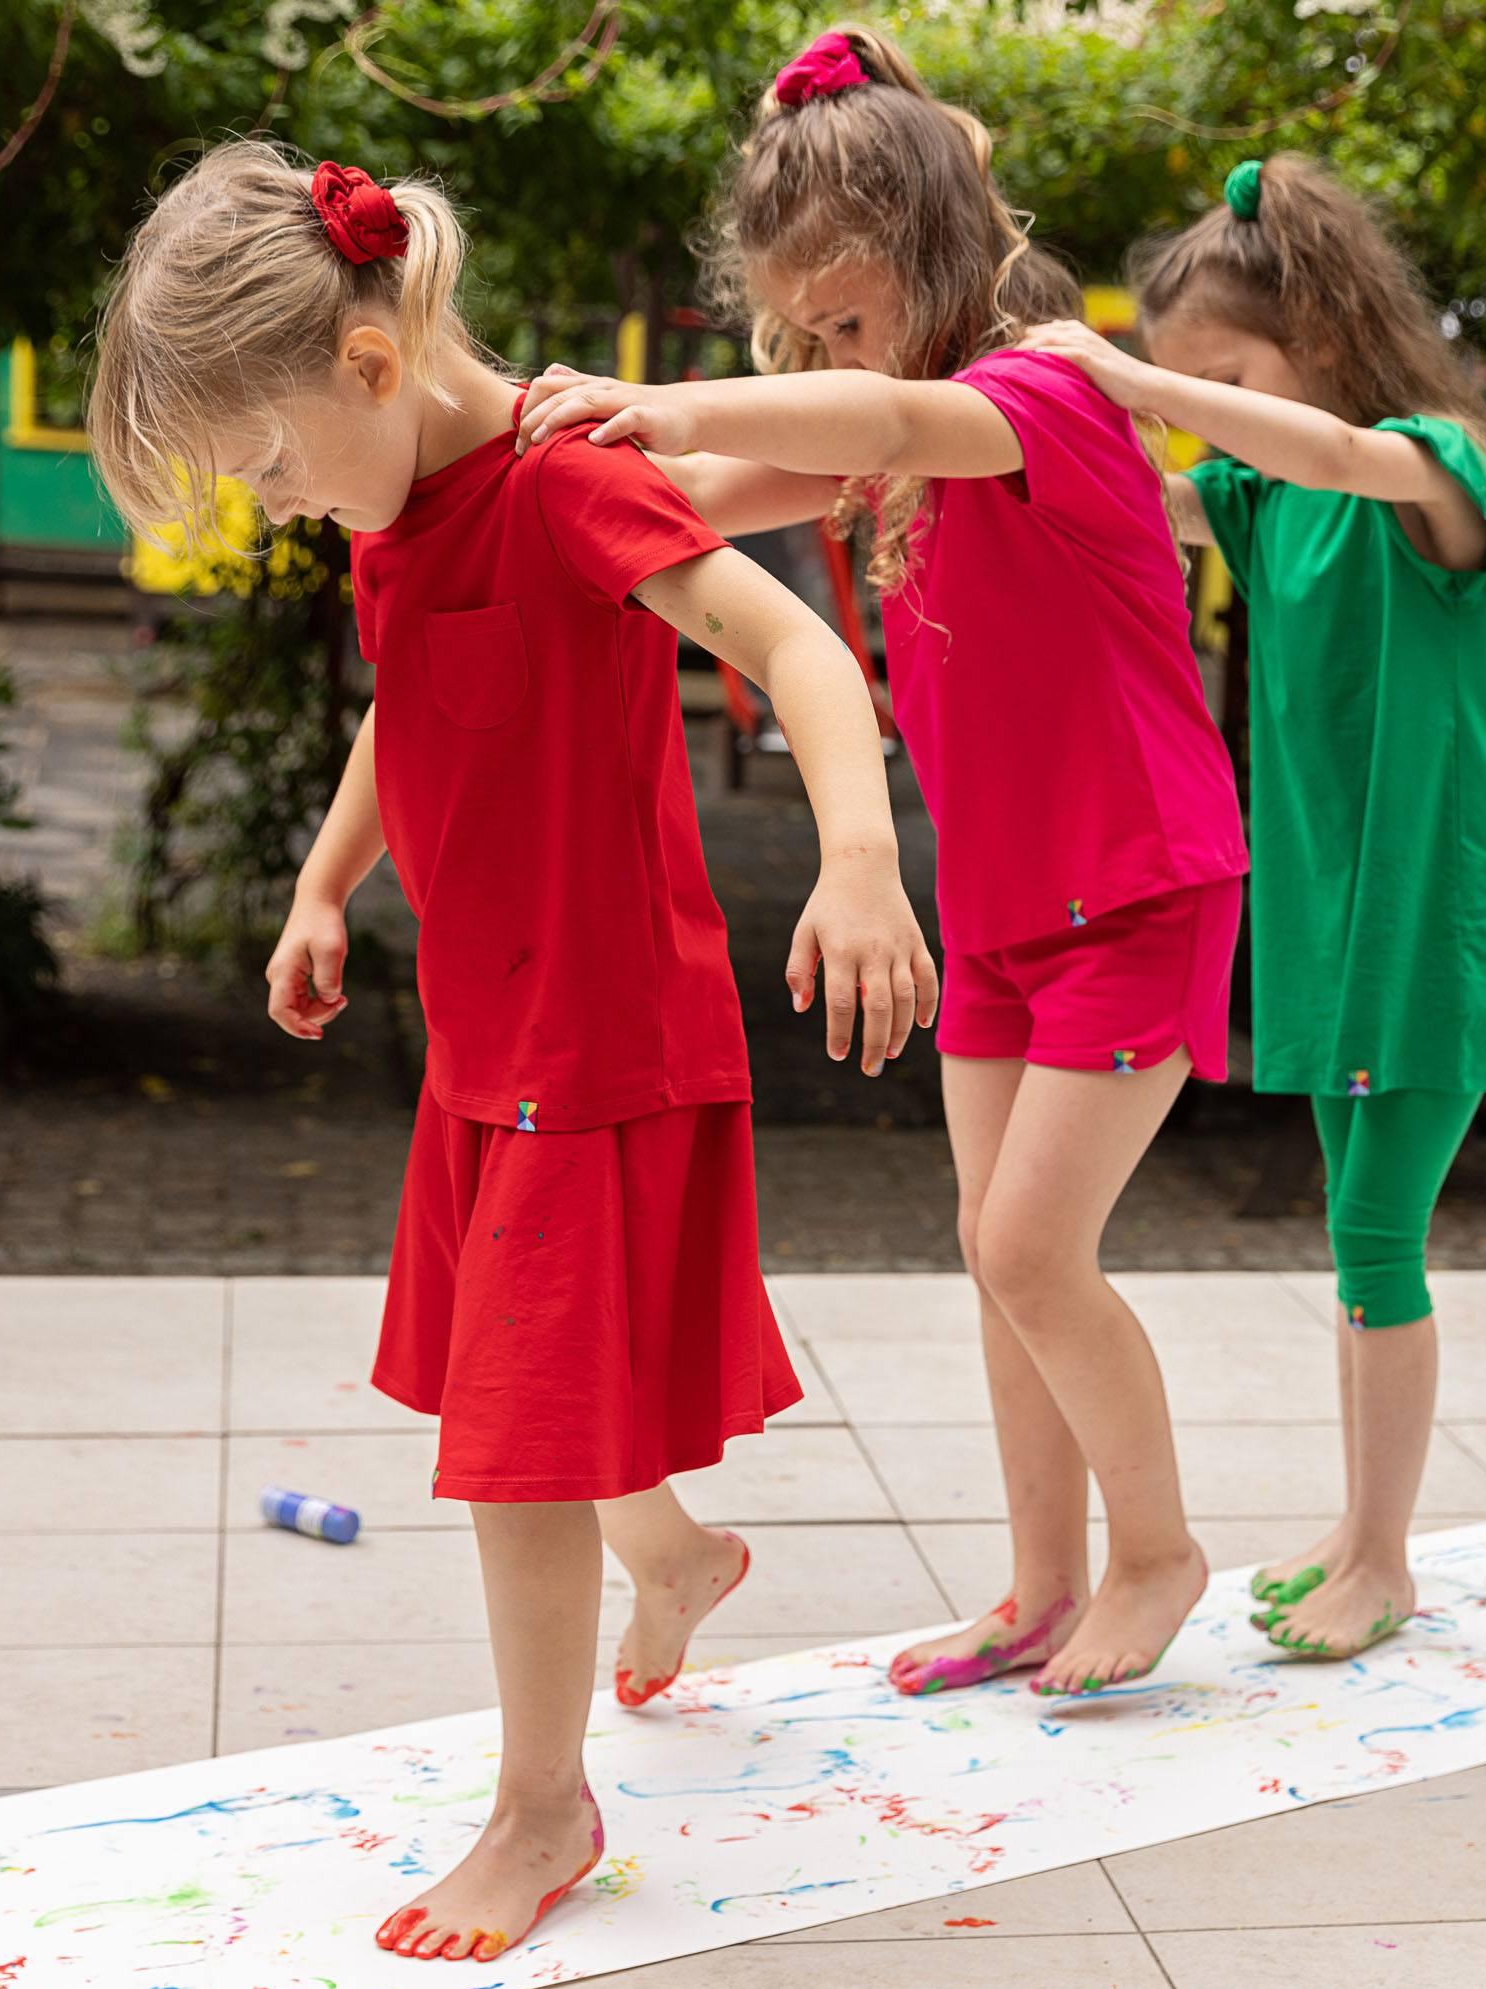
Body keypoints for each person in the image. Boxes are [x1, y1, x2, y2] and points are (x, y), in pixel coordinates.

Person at [87, 139, 934, 1962]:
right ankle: (678, 1557)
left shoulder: (564, 489)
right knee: (538, 1371)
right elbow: (412, 703)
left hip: (600, 1033)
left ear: (371, 370)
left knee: (517, 1436)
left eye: (268, 466)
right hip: (490, 1036)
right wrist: (325, 884)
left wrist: (859, 862)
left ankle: (544, 1808)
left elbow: (795, 648)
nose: (286, 505)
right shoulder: (403, 513)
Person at [519, 25, 1249, 1699]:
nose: (827, 349)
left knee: (1028, 1253)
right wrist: (549, 456)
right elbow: (703, 484)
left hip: (1139, 884)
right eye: (803, 326)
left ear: (935, 264)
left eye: (842, 318)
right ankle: (1041, 1584)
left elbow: (876, 412)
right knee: (993, 1257)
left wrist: (686, 393)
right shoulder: (896, 429)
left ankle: (1158, 1554)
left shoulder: (1036, 397)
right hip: (1004, 902)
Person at [1023, 152, 1486, 1661]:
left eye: (1228, 373)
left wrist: (1137, 385)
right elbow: (1134, 494)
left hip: (1437, 913)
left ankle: (1383, 1558)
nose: (1199, 399)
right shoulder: (1263, 490)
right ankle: (1357, 1530)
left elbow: (1330, 460)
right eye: (1185, 374)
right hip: (1334, 909)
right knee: (1355, 1229)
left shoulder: (1432, 462)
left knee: (1380, 1234)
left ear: (1322, 338)